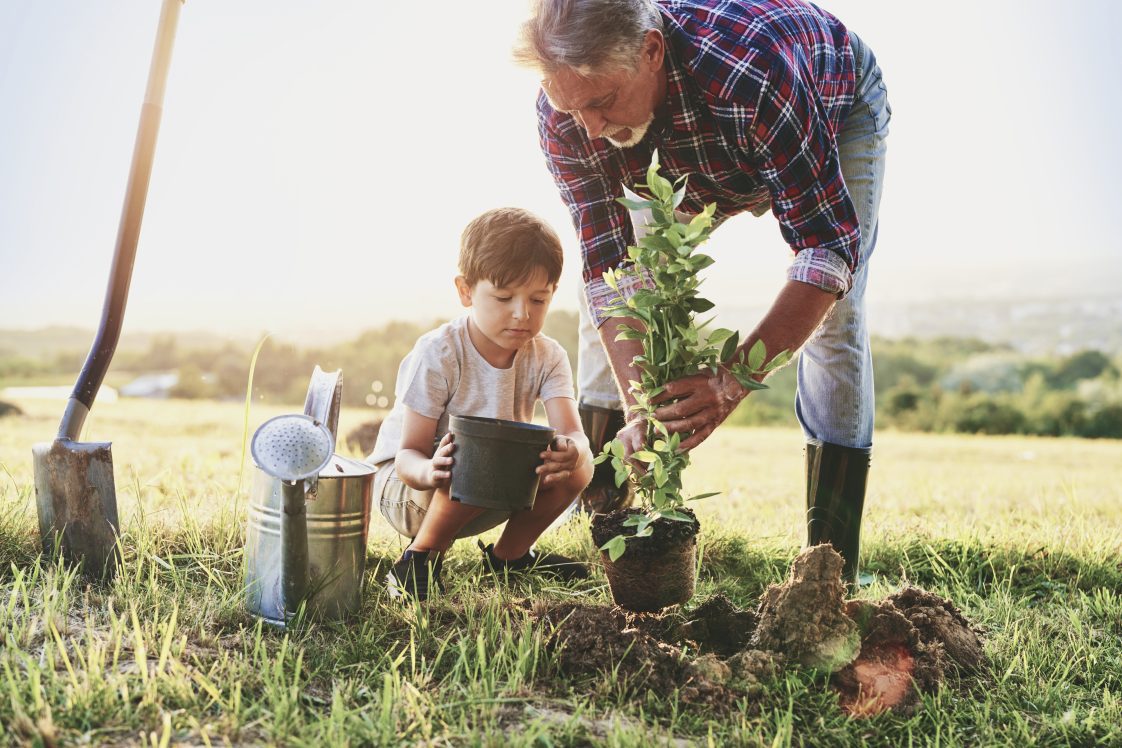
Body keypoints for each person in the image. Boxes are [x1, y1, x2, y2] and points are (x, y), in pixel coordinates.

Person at [515, 0, 890, 586]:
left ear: (652, 52)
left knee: (837, 319)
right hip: (695, 148)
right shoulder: (568, 112)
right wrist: (645, 406)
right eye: (570, 106)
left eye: (601, 101)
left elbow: (826, 250)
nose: (587, 126)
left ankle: (829, 566)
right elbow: (609, 266)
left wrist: (729, 382)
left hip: (825, 108)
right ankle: (607, 520)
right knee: (619, 298)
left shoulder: (754, 74)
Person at [368, 207, 595, 600]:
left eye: (538, 300)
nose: (522, 314)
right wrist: (430, 470)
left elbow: (574, 432)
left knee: (582, 461)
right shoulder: (439, 352)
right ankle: (417, 561)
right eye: (504, 297)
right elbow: (406, 455)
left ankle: (509, 558)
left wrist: (572, 451)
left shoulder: (548, 355)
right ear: (465, 291)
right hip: (412, 491)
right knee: (481, 450)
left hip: (490, 486)